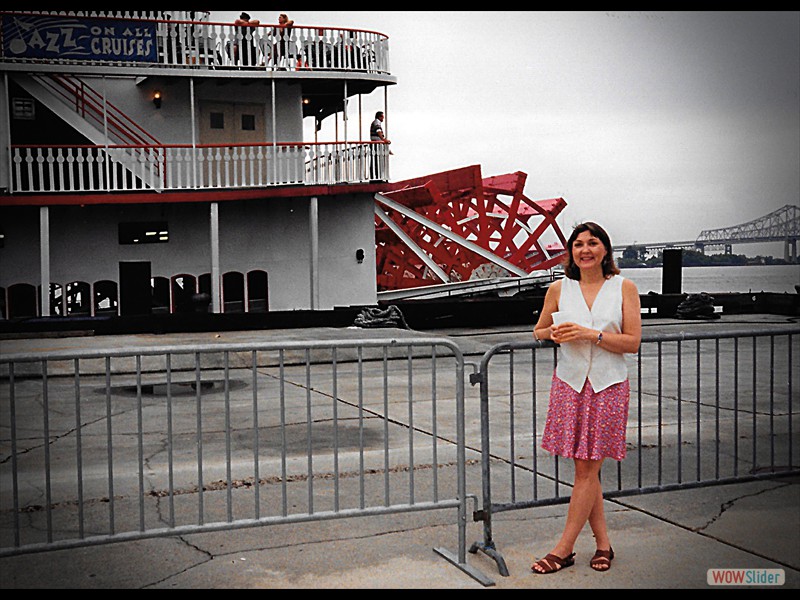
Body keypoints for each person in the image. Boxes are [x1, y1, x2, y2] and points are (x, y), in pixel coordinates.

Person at [530, 221, 642, 575]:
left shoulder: (625, 288)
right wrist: (555, 331)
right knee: (586, 469)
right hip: (570, 384)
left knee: (587, 468)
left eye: (593, 243)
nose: (585, 250)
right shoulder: (559, 289)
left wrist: (590, 334)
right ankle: (604, 545)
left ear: (605, 250)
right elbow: (538, 331)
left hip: (608, 386)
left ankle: (563, 549)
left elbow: (632, 342)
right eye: (578, 244)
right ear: (571, 252)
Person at [369, 111, 391, 179]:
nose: (383, 119)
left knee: (376, 160)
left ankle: (376, 175)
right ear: (379, 117)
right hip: (376, 144)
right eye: (382, 117)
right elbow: (378, 131)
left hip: (377, 144)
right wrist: (383, 140)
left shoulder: (376, 122)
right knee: (376, 160)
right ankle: (376, 176)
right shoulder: (377, 122)